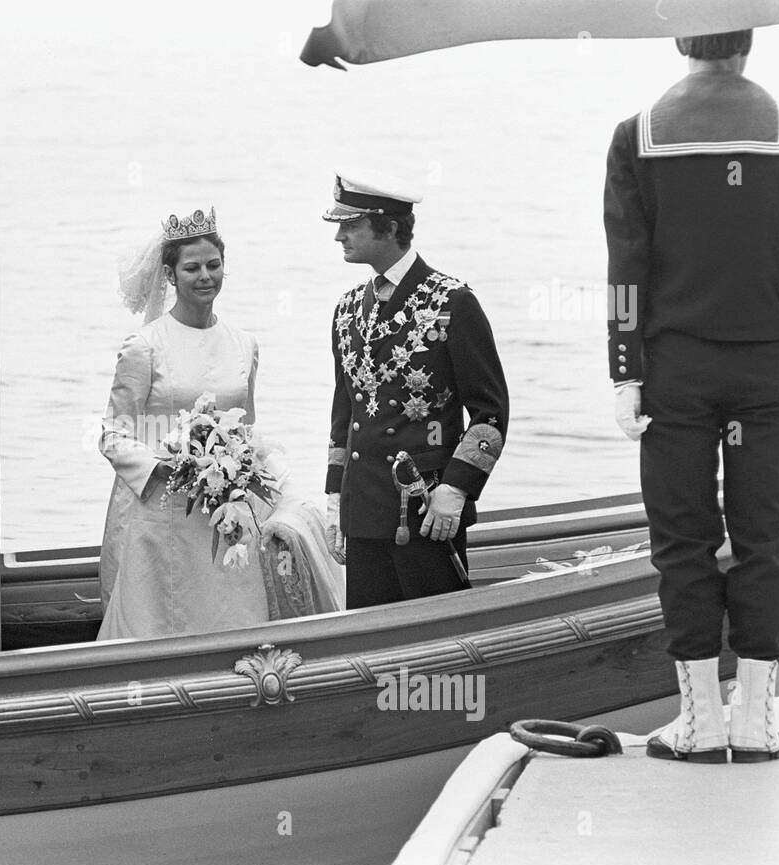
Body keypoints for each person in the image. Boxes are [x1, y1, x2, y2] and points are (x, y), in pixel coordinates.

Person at [604, 29, 779, 763]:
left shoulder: (636, 137)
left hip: (673, 370)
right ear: (750, 38)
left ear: (680, 36)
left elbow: (627, 267)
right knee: (766, 537)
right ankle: (758, 717)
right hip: (771, 368)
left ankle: (699, 722)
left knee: (681, 539)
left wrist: (625, 369)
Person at [97, 209, 342, 640]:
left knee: (235, 617)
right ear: (170, 274)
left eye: (214, 265)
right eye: (192, 268)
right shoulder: (145, 347)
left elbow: (247, 429)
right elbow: (113, 435)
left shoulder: (244, 345)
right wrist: (166, 467)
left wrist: (267, 479)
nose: (205, 276)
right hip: (163, 511)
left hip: (229, 510)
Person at [322, 171, 509, 608]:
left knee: (438, 637)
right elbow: (344, 416)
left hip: (426, 509)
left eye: (350, 225)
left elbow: (490, 413)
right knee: (370, 642)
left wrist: (457, 489)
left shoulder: (452, 302)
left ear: (387, 227)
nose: (339, 236)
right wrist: (335, 496)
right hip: (364, 507)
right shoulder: (347, 309)